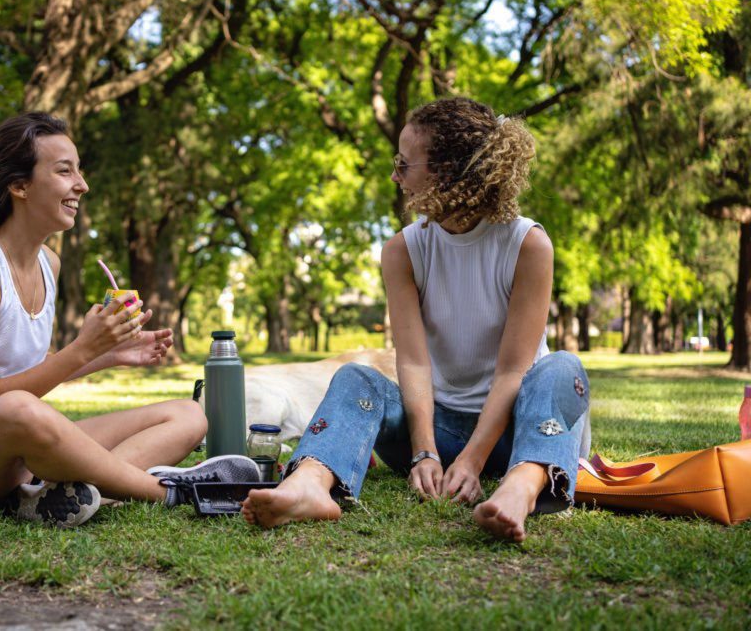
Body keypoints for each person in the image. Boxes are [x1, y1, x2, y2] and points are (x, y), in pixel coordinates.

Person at [242, 97, 591, 542]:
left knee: (562, 367)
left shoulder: (527, 245)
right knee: (356, 378)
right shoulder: (403, 250)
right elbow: (412, 362)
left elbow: (513, 371)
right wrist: (425, 451)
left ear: (447, 175)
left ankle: (520, 488)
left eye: (405, 165)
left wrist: (472, 461)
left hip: (522, 430)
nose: (395, 175)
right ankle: (310, 484)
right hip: (439, 430)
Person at [0, 113, 257, 528]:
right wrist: (83, 347)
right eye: (64, 171)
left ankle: (57, 496)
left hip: (23, 452)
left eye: (80, 170)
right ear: (19, 186)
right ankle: (173, 492)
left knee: (187, 415)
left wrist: (109, 354)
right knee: (18, 408)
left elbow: (33, 365)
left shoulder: (47, 263)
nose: (82, 185)